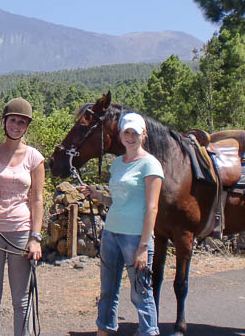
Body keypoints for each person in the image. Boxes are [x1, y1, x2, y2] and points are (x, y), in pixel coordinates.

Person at [78, 112, 164, 336]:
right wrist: (97, 195)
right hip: (111, 234)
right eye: (127, 132)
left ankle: (149, 331)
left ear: (144, 134)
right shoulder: (117, 164)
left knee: (140, 292)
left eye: (135, 133)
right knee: (107, 290)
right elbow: (118, 201)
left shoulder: (150, 165)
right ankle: (104, 330)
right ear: (121, 135)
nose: (131, 137)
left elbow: (152, 208)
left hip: (135, 237)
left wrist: (144, 247)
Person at [0, 97, 45, 336]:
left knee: (21, 300)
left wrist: (35, 237)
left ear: (27, 126)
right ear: (4, 122)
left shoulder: (34, 157)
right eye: (13, 120)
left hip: (21, 232)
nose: (16, 126)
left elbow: (37, 199)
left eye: (22, 122)